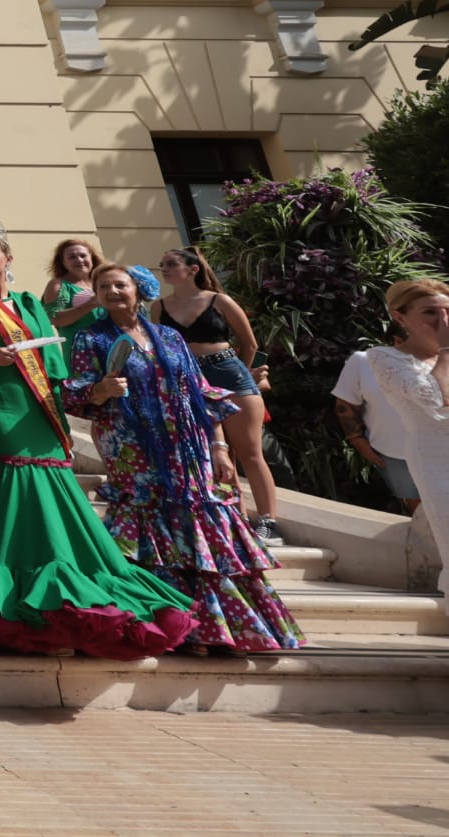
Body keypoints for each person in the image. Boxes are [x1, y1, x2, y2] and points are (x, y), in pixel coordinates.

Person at [0, 210, 195, 658]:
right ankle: (24, 568)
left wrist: (64, 404)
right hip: (1, 404)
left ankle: (67, 564)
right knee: (21, 486)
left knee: (54, 483)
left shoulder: (33, 304)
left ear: (8, 256)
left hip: (43, 405)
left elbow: (53, 362)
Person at [67, 263, 301, 654]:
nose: (112, 291)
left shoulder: (170, 338)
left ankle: (215, 629)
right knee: (150, 531)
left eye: (119, 284)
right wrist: (101, 390)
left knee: (197, 527)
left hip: (186, 445)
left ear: (138, 291)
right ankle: (169, 625)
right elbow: (75, 395)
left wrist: (219, 446)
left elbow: (201, 394)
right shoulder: (89, 340)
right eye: (103, 286)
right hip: (130, 448)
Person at [156, 245, 281, 544]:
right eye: (162, 265)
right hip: (189, 378)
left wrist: (245, 373)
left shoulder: (219, 300)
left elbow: (248, 343)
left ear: (193, 269)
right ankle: (234, 518)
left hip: (227, 372)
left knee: (249, 452)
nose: (166, 269)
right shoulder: (159, 306)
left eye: (171, 263)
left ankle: (267, 522)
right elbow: (163, 349)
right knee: (214, 453)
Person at [355, 279, 449, 594]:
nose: (443, 321)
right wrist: (446, 350)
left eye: (448, 311)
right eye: (431, 312)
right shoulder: (386, 359)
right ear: (400, 317)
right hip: (436, 457)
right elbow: (436, 399)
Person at [334, 334, 424, 516]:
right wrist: (357, 440)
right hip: (393, 455)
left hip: (440, 453)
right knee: (420, 512)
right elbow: (345, 404)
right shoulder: (363, 362)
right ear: (398, 340)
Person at [42, 237, 105, 346]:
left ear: (91, 258)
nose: (79, 260)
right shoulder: (59, 285)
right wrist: (90, 304)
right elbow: (54, 318)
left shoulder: (104, 283)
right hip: (82, 351)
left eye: (83, 255)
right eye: (72, 257)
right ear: (64, 263)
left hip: (112, 346)